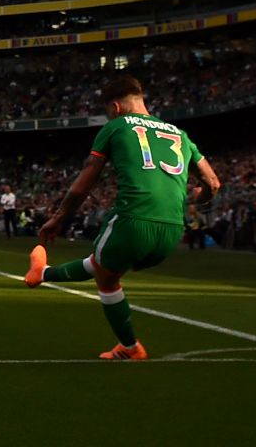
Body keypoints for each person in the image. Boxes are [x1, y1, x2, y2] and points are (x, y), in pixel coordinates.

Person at [24, 76, 221, 360]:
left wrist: (58, 218)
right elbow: (213, 183)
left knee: (106, 279)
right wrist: (197, 199)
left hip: (132, 219)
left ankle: (130, 347)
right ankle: (41, 274)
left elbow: (82, 185)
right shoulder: (180, 134)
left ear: (115, 107)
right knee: (103, 266)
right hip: (173, 229)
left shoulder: (116, 127)